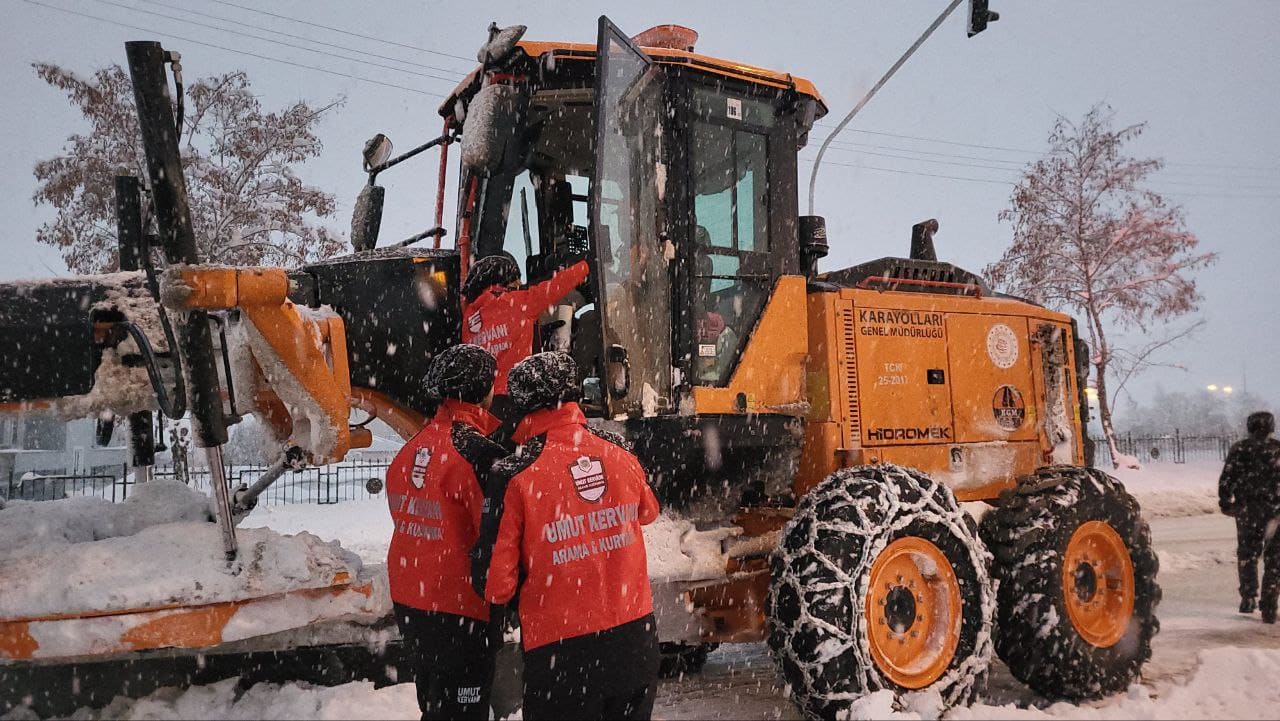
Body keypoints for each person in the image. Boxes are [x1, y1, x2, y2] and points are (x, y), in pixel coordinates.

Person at [470, 352, 662, 720]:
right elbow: (648, 511)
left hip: (561, 655)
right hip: (636, 639)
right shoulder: (618, 452)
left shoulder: (516, 474)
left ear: (523, 404)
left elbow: (497, 586)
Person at [385, 344, 507, 719]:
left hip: (411, 598)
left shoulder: (411, 449)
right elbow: (496, 535)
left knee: (436, 703)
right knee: (465, 710)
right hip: (460, 606)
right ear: (482, 389)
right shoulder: (479, 455)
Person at [461, 253, 590, 411]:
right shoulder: (518, 302)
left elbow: (501, 335)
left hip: (483, 401)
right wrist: (586, 265)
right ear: (504, 281)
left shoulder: (468, 317)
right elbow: (556, 286)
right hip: (513, 396)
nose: (521, 284)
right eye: (516, 279)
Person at [1218, 410, 1280, 623]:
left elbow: (1227, 478)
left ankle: (1248, 597)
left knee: (1247, 554)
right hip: (1276, 512)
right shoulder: (1277, 450)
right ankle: (1270, 602)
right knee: (1275, 558)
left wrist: (1226, 502)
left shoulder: (1240, 449)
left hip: (1247, 510)